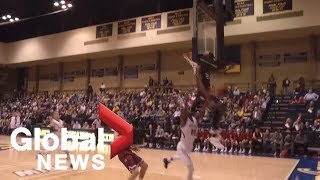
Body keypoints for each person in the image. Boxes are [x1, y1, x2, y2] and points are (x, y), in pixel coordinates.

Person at [163, 97, 206, 180]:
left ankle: (167, 160)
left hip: (188, 148)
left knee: (178, 157)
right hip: (182, 147)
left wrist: (206, 102)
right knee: (191, 168)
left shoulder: (195, 119)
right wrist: (185, 103)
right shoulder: (183, 121)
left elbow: (202, 113)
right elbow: (183, 111)